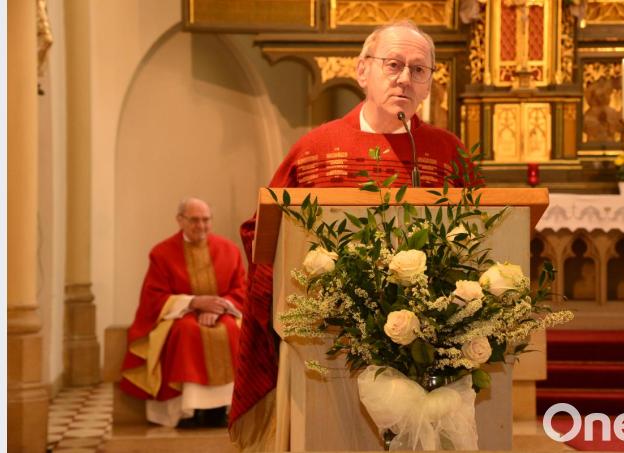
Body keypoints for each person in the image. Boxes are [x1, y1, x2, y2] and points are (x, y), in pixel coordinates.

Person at [229, 20, 476, 450]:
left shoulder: (447, 152)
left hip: (428, 344)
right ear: (363, 71)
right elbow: (262, 231)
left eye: (419, 69)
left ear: (429, 83)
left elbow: (480, 233)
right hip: (325, 339)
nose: (405, 78)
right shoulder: (316, 149)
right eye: (393, 64)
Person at [120, 197, 247, 428]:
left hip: (223, 313)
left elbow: (241, 289)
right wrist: (195, 302)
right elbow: (154, 297)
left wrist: (218, 307)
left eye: (206, 220)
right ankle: (187, 411)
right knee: (187, 331)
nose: (201, 225)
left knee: (229, 329)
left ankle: (222, 409)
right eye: (194, 220)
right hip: (180, 315)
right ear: (180, 220)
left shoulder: (229, 250)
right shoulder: (162, 253)